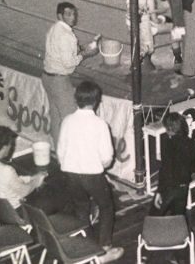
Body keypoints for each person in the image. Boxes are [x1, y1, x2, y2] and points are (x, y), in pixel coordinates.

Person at [56, 81, 124, 262]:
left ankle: (88, 251)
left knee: (81, 208)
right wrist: (97, 165)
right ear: (96, 101)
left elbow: (60, 152)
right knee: (106, 207)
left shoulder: (67, 121)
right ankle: (104, 250)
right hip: (92, 176)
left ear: (76, 99)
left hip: (70, 174)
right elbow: (107, 157)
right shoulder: (100, 124)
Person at [42, 2, 101, 144]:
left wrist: (81, 48)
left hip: (47, 77)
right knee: (71, 117)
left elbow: (62, 49)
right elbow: (68, 63)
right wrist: (86, 54)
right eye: (68, 14)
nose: (73, 17)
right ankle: (71, 150)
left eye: (74, 14)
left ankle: (59, 149)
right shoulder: (66, 35)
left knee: (56, 117)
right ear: (60, 15)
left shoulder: (55, 28)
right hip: (59, 82)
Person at [152, 112, 195, 216]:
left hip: (169, 187)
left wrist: (159, 191)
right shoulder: (193, 144)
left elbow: (165, 170)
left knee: (155, 215)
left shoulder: (167, 143)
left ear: (169, 129)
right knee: (178, 216)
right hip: (183, 186)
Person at [0, 126, 47, 210]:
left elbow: (11, 182)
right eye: (10, 144)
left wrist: (32, 177)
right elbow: (25, 191)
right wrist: (38, 180)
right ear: (4, 148)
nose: (11, 147)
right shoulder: (6, 170)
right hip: (15, 210)